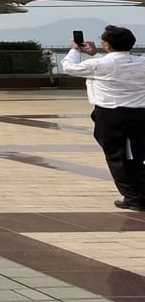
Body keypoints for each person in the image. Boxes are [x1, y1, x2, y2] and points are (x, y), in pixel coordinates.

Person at [62, 25, 145, 211]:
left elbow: (69, 67)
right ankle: (141, 193)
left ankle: (132, 197)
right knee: (137, 155)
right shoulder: (142, 62)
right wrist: (95, 54)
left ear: (106, 44)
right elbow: (116, 64)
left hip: (111, 115)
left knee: (116, 156)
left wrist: (75, 50)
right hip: (139, 114)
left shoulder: (100, 64)